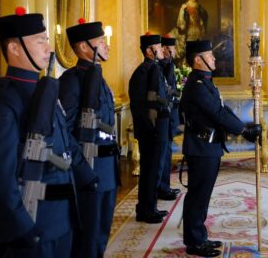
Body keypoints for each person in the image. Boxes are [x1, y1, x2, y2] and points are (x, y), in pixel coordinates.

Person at [0, 7, 97, 258]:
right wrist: (21, 227)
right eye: (40, 41)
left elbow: (64, 140)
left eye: (47, 41)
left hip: (61, 218)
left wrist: (86, 174)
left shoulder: (44, 90)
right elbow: (1, 176)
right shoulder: (6, 101)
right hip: (32, 226)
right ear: (14, 48)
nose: (48, 49)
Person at [181, 40, 261, 257]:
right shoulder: (196, 86)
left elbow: (222, 108)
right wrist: (244, 132)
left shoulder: (205, 81)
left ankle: (199, 236)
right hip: (201, 147)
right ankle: (195, 242)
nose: (214, 58)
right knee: (198, 196)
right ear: (198, 59)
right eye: (209, 55)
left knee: (202, 195)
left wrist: (245, 126)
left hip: (208, 146)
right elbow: (217, 114)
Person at [59, 18, 120, 257]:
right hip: (89, 169)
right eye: (101, 41)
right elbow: (65, 131)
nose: (106, 46)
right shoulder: (72, 81)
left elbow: (101, 123)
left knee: (100, 235)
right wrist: (82, 171)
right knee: (88, 239)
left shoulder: (97, 76)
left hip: (107, 169)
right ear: (84, 47)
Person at [128, 33, 171, 223]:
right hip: (151, 131)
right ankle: (144, 210)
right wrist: (151, 129)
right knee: (149, 170)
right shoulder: (141, 72)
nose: (162, 49)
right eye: (158, 46)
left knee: (156, 169)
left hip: (159, 128)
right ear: (148, 51)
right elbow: (140, 107)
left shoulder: (155, 69)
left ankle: (150, 206)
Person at [157, 35, 181, 199]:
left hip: (170, 117)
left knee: (167, 155)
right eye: (171, 50)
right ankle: (160, 188)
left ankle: (165, 186)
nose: (174, 53)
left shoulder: (169, 65)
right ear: (164, 49)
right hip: (161, 118)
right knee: (161, 157)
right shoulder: (157, 67)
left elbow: (171, 87)